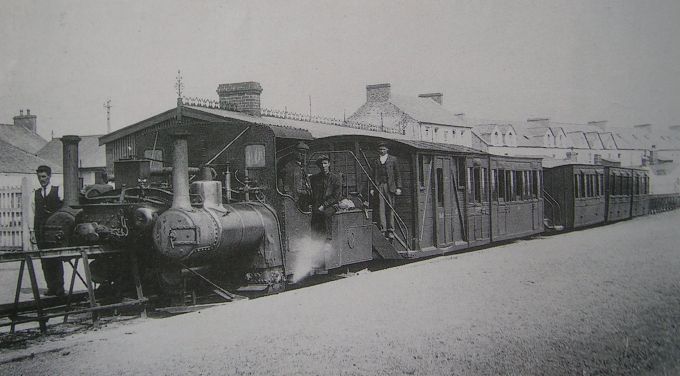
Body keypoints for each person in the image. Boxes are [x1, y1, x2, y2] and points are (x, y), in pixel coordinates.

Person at [33, 165, 65, 296]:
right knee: (45, 260)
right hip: (41, 231)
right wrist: (32, 231)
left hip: (54, 231)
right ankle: (51, 287)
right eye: (39, 177)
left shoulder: (58, 191)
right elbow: (33, 213)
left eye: (44, 176)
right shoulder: (35, 193)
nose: (42, 179)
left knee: (56, 259)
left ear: (49, 176)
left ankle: (59, 288)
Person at [370, 141, 402, 238]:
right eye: (380, 149)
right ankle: (383, 229)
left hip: (390, 187)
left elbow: (397, 174)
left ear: (387, 150)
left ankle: (391, 230)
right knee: (381, 208)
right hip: (379, 186)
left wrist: (398, 187)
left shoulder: (393, 160)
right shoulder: (376, 161)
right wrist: (372, 188)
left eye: (384, 149)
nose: (382, 151)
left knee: (390, 208)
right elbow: (372, 175)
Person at [310, 155, 342, 240]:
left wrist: (324, 205)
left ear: (329, 164)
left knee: (326, 213)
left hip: (331, 204)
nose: (323, 166)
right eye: (321, 164)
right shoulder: (315, 178)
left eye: (325, 163)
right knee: (313, 214)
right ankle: (314, 239)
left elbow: (335, 197)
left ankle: (328, 239)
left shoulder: (335, 178)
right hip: (318, 204)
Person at [280, 141, 312, 210]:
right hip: (294, 199)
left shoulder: (303, 166)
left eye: (305, 153)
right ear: (295, 152)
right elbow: (286, 186)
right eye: (301, 152)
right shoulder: (288, 167)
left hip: (304, 199)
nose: (303, 154)